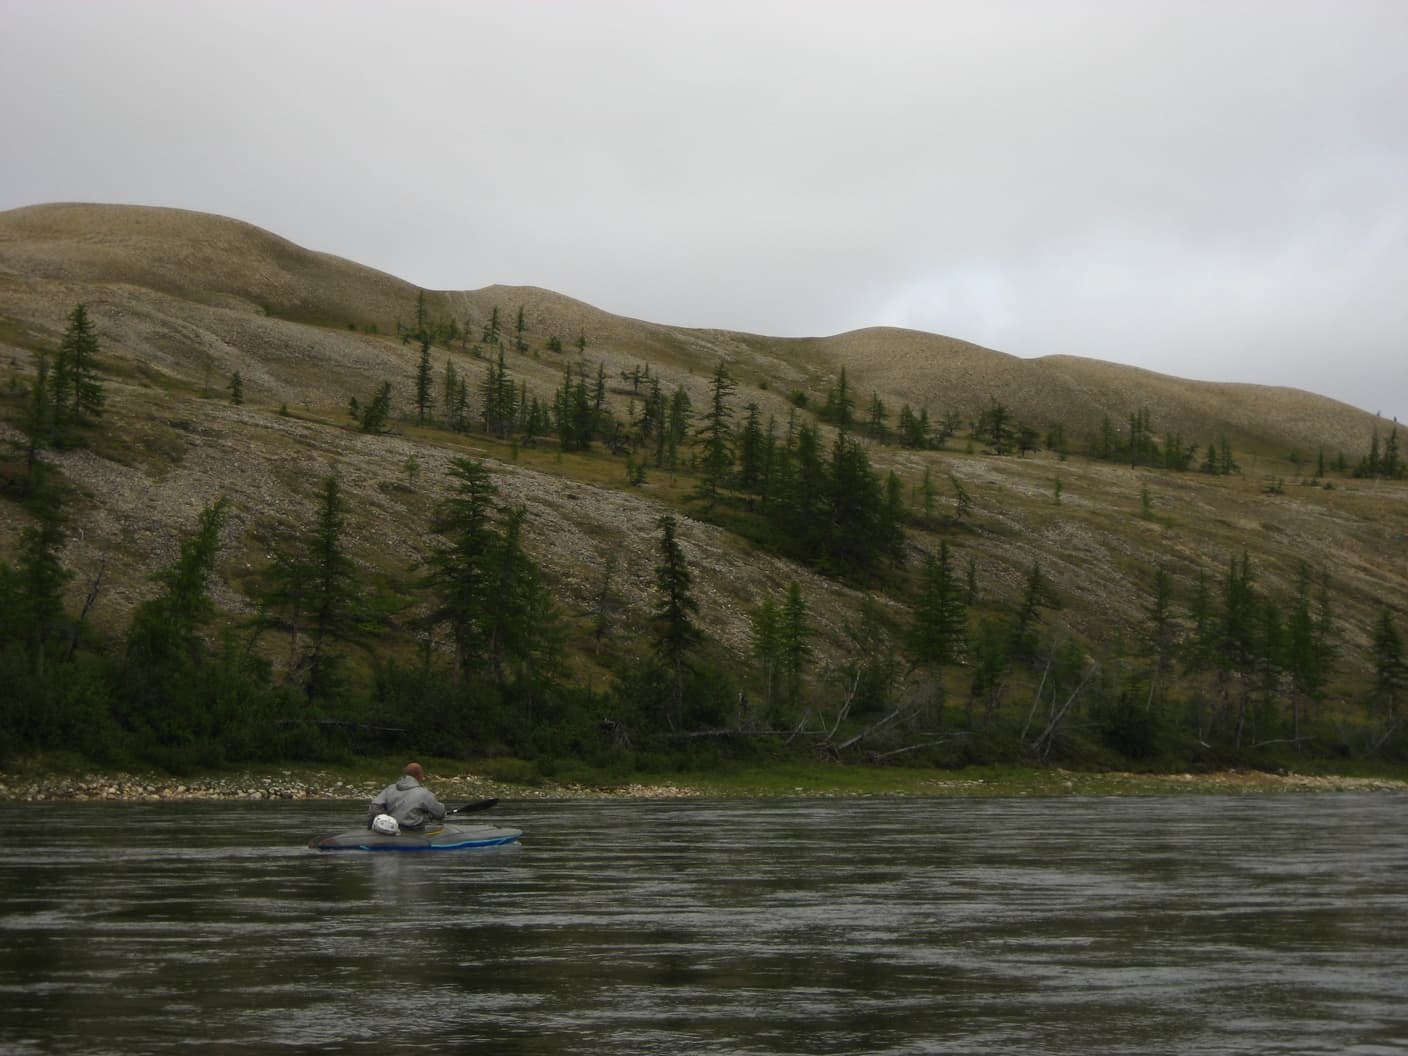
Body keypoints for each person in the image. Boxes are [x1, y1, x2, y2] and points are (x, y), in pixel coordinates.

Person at [368, 761, 446, 832]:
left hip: (390, 831)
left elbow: (375, 806)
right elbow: (440, 813)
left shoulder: (390, 788)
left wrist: (381, 822)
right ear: (419, 776)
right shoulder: (424, 793)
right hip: (413, 833)